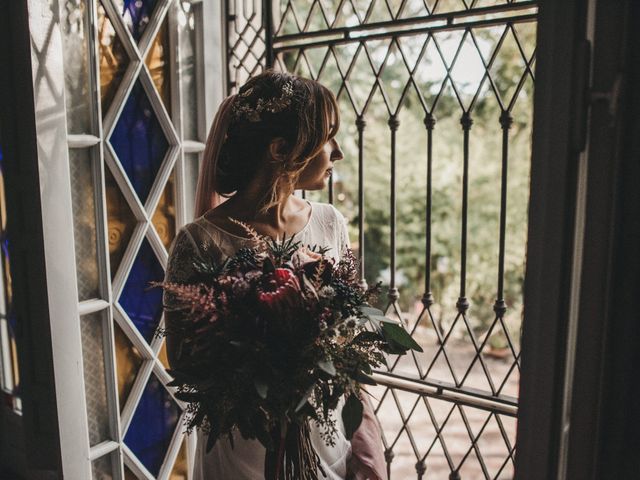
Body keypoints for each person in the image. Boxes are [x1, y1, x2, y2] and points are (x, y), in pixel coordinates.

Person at [163, 70, 387, 480]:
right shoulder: (199, 242)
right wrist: (264, 364)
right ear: (281, 149)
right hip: (244, 451)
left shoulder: (329, 222)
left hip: (325, 436)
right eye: (327, 138)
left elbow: (350, 331)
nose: (336, 153)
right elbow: (182, 363)